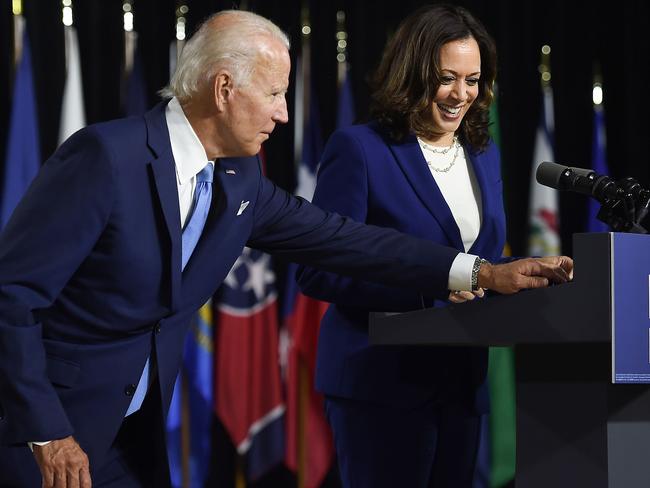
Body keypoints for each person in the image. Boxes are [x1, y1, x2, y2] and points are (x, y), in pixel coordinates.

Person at [0, 9, 571, 488]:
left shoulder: (238, 180)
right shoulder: (105, 156)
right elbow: (11, 296)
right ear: (224, 89)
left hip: (134, 440)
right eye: (274, 93)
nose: (284, 113)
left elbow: (343, 240)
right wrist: (48, 431)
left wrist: (482, 273)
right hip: (47, 438)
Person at [297, 5, 562, 488]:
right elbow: (318, 269)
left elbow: (473, 260)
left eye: (474, 79)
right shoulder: (359, 149)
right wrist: (435, 286)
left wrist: (519, 271)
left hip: (461, 385)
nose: (462, 94)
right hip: (379, 386)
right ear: (413, 72)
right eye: (446, 77)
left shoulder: (483, 154)